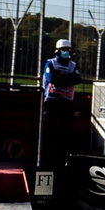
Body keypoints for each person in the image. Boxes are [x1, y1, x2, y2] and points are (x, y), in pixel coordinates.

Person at [40, 37, 81, 167]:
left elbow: (77, 79)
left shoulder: (73, 65)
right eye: (64, 50)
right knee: (47, 130)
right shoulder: (50, 63)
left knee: (67, 131)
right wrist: (66, 78)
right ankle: (44, 159)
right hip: (51, 101)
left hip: (66, 102)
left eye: (68, 50)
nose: (67, 52)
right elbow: (52, 78)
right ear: (57, 50)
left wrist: (62, 78)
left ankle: (66, 160)